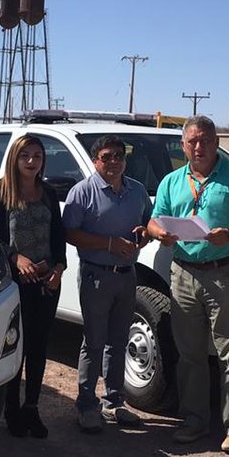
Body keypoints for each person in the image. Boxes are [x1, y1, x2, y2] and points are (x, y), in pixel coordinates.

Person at [146, 116, 229, 451]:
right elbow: (155, 220)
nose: (199, 147)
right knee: (190, 355)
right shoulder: (172, 181)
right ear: (183, 145)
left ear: (216, 142)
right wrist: (161, 234)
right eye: (192, 141)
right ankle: (194, 420)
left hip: (224, 272)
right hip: (183, 273)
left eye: (205, 140)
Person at [62, 135, 152, 433]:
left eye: (119, 156)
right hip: (96, 275)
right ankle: (86, 405)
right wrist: (110, 243)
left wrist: (144, 234)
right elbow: (70, 233)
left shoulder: (137, 190)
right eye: (107, 156)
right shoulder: (83, 192)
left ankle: (114, 402)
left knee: (118, 341)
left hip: (127, 276)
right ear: (95, 160)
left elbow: (149, 223)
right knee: (94, 342)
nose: (114, 161)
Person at [0, 134, 67, 439]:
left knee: (38, 347)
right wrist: (15, 258)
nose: (32, 162)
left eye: (37, 156)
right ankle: (11, 409)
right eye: (25, 156)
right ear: (14, 158)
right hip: (13, 285)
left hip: (45, 283)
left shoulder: (48, 193)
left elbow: (58, 235)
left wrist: (58, 267)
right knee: (14, 346)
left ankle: (32, 408)